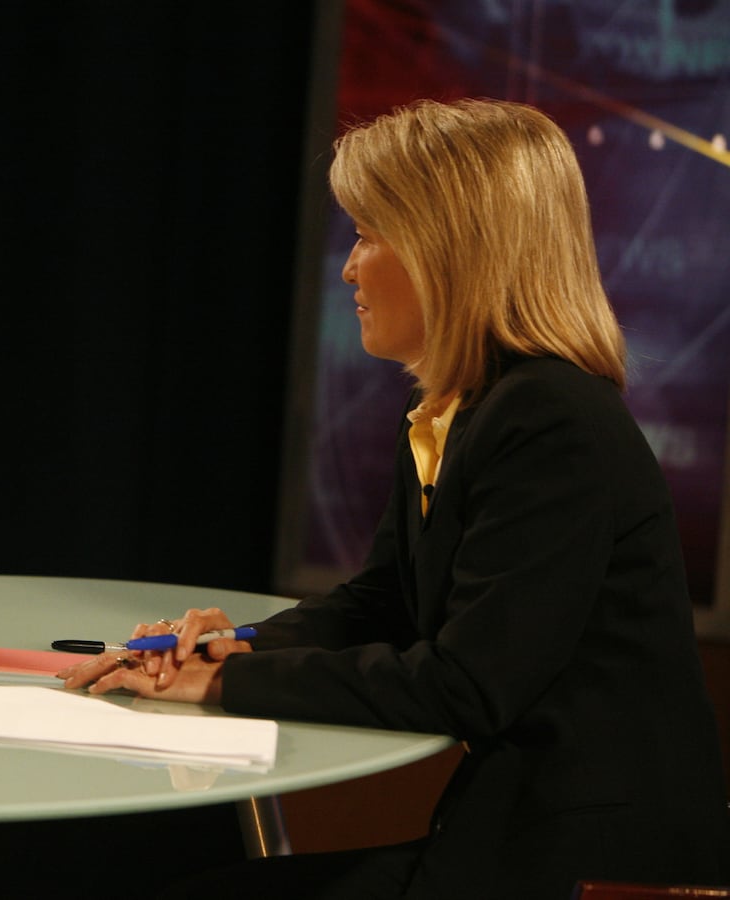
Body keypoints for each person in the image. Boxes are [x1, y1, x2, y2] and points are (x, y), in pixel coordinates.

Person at [63, 98, 729, 897]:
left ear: (451, 251)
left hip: (592, 870)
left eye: (369, 235)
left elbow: (466, 685)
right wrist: (235, 645)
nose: (348, 267)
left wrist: (222, 685)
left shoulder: (551, 419)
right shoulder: (465, 410)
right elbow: (378, 605)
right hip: (520, 839)